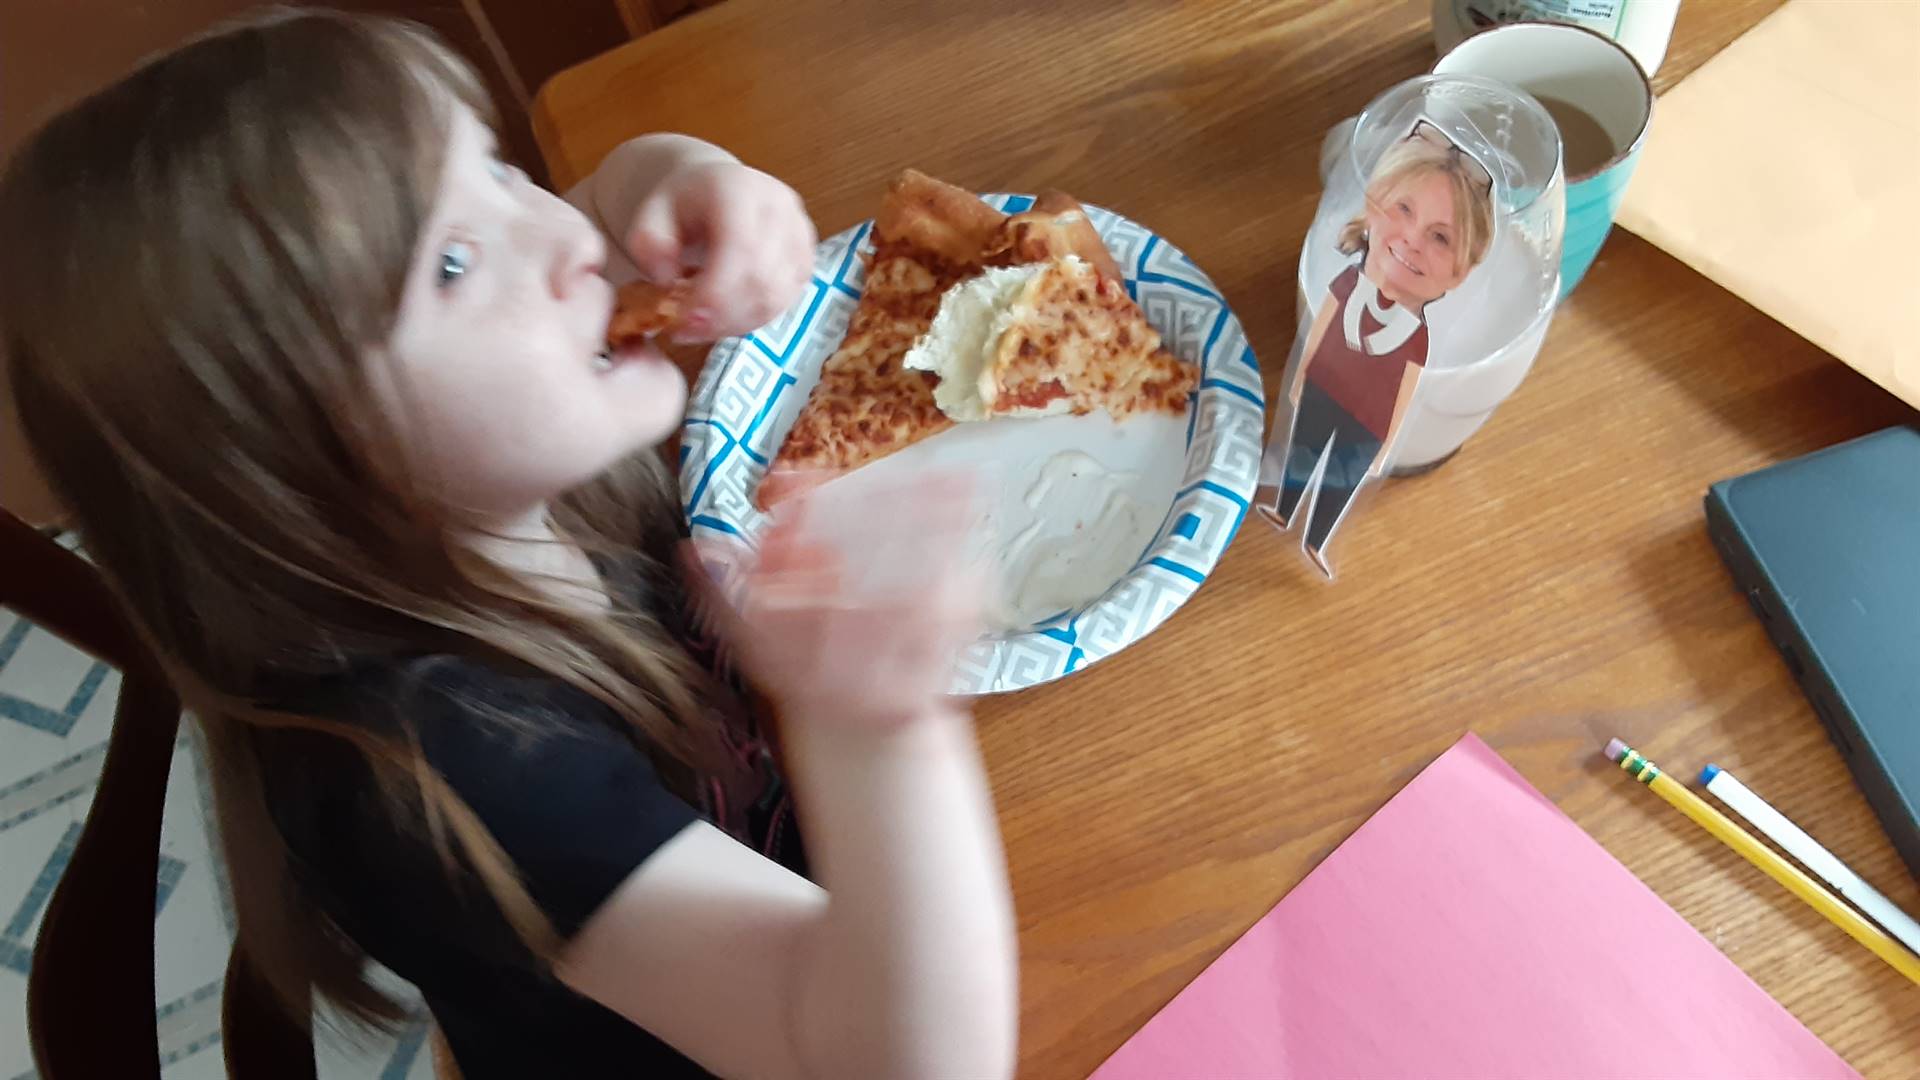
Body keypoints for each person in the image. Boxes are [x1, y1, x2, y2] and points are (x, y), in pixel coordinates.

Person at [0, 10, 1016, 1080]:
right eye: (450, 263)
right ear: (302, 470)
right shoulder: (454, 774)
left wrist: (673, 176)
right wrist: (880, 731)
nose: (570, 240)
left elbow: (580, 232)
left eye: (495, 167)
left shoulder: (454, 486)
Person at [1271, 121, 1494, 576]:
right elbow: (1323, 329)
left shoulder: (1417, 338)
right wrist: (1299, 383)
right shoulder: (1346, 283)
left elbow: (1407, 388)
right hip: (1322, 390)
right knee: (1303, 453)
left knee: (1340, 482)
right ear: (1371, 208)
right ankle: (1285, 506)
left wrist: (1386, 447)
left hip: (1366, 425)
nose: (1412, 238)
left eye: (1440, 237)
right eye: (1402, 209)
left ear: (1461, 274)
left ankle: (1316, 539)